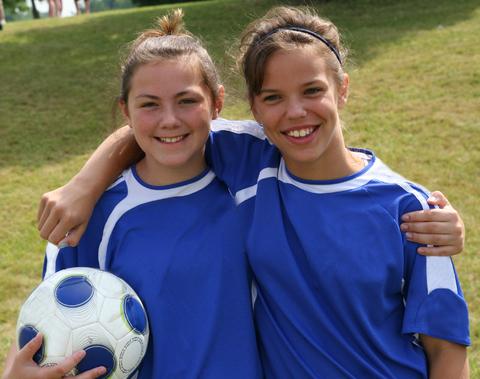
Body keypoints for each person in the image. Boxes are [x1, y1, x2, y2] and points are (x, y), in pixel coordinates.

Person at [36, 6, 468, 378]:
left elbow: (447, 348)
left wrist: (449, 230)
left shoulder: (411, 209)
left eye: (313, 91)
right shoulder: (251, 165)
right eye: (274, 97)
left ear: (343, 88)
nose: (296, 112)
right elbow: (154, 129)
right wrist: (84, 184)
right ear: (254, 108)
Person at [4, 9, 262, 379]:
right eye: (149, 104)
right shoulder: (94, 216)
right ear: (126, 110)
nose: (169, 119)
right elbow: (45, 324)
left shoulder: (252, 180)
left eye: (187, 101)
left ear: (217, 103)